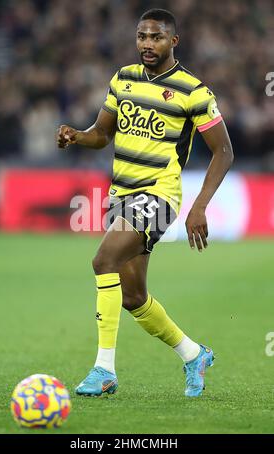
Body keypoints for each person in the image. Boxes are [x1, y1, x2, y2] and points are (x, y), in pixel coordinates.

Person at [57, 8, 234, 397]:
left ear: (174, 41)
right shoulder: (123, 79)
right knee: (133, 295)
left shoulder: (194, 91)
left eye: (156, 37)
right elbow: (102, 134)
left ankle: (104, 369)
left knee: (103, 261)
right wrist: (76, 136)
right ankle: (193, 355)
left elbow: (223, 151)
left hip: (158, 193)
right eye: (141, 37)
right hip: (121, 192)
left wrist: (199, 206)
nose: (147, 44)